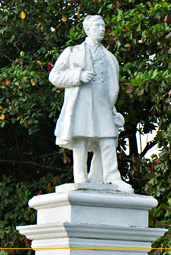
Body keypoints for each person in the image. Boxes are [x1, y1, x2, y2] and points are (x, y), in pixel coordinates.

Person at [49, 15, 132, 193]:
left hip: (103, 105)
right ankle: (80, 176)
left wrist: (112, 108)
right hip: (81, 105)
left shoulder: (109, 58)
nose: (101, 29)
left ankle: (112, 176)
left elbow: (112, 87)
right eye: (97, 26)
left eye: (103, 26)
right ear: (87, 29)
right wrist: (77, 76)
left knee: (108, 139)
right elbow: (54, 76)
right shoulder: (72, 52)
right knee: (81, 139)